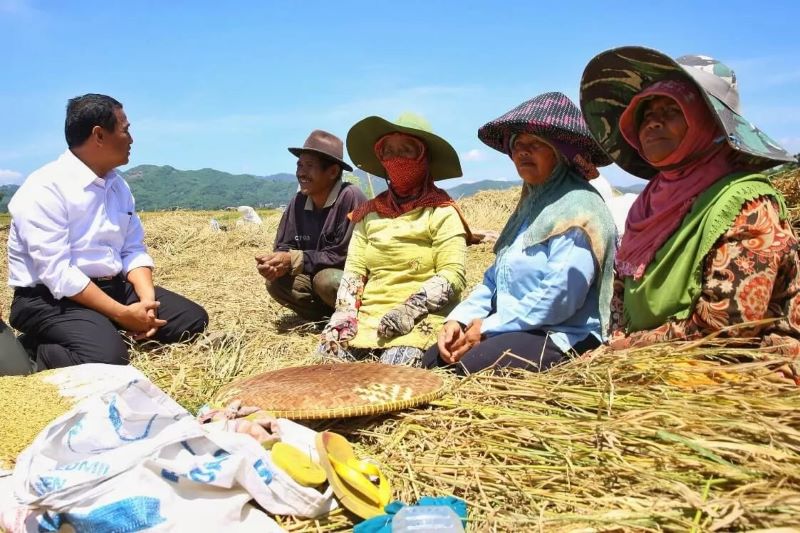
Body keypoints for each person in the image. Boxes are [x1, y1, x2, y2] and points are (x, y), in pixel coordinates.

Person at [579, 47, 800, 355]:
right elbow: (621, 295)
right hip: (647, 358)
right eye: (647, 115)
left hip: (742, 365)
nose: (653, 124)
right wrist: (618, 343)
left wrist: (627, 350)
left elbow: (729, 329)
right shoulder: (648, 206)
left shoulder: (747, 204)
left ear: (707, 122)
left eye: (671, 112)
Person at [7, 93, 208, 370]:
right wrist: (124, 315)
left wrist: (147, 303)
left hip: (110, 287)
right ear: (99, 135)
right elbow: (58, 273)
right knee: (107, 359)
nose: (131, 139)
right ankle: (35, 350)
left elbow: (132, 249)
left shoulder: (118, 186)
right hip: (49, 299)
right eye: (126, 130)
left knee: (191, 320)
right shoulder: (44, 188)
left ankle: (103, 328)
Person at [423, 93, 617, 375]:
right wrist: (459, 320)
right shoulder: (529, 208)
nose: (523, 151)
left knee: (466, 370)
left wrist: (489, 327)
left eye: (536, 144)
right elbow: (494, 280)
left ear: (560, 152)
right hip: (512, 326)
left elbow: (559, 298)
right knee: (432, 360)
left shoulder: (580, 209)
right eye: (518, 145)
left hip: (563, 333)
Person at [319, 113, 474, 366]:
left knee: (392, 377)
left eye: (407, 150)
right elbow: (355, 270)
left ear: (424, 157)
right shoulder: (368, 213)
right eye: (388, 151)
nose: (396, 158)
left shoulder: (442, 211)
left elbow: (453, 275)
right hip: (368, 318)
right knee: (324, 367)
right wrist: (344, 313)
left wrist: (410, 309)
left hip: (422, 317)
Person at [258, 130, 366, 321]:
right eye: (299, 165)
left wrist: (294, 259)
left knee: (327, 280)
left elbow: (343, 256)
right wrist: (276, 263)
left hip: (347, 280)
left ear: (332, 172)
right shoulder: (298, 202)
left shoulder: (350, 197)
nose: (301, 173)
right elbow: (285, 245)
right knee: (275, 283)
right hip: (314, 279)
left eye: (309, 166)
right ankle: (324, 320)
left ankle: (357, 317)